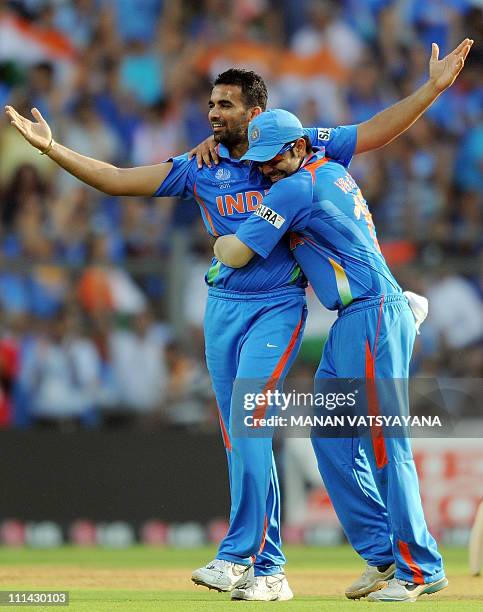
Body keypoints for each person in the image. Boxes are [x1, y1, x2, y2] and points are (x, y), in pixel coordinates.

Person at [4, 38, 471, 602]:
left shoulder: (302, 162)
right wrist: (54, 150)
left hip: (293, 309)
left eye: (225, 106)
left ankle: (272, 559)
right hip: (244, 310)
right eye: (210, 106)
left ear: (257, 115)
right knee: (297, 437)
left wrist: (430, 90)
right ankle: (359, 559)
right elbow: (116, 178)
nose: (213, 114)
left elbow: (373, 132)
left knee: (295, 426)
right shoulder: (216, 163)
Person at [212, 106, 451, 603]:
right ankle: (384, 555)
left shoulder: (295, 188)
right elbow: (351, 135)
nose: (264, 169)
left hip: (371, 314)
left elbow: (235, 253)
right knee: (330, 439)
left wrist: (217, 240)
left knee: (387, 446)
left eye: (272, 158)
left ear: (298, 148)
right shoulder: (326, 162)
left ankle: (420, 568)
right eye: (258, 160)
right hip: (354, 320)